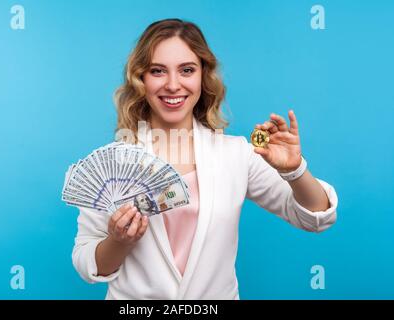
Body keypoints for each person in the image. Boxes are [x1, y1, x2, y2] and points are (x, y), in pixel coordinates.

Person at [72, 18, 338, 299]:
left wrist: (294, 170)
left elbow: (315, 218)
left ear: (203, 77)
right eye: (158, 71)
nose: (173, 85)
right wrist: (118, 241)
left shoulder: (236, 153)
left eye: (186, 70)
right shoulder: (113, 164)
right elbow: (86, 263)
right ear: (141, 79)